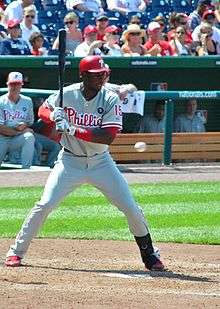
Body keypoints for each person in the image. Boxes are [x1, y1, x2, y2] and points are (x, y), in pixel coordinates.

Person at [5, 55, 164, 272]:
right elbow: (43, 109)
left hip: (101, 163)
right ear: (83, 75)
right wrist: (53, 115)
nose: (101, 78)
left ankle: (150, 255)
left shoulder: (110, 98)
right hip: (69, 161)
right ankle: (16, 252)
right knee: (45, 204)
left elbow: (108, 136)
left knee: (130, 207)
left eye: (103, 74)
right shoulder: (67, 93)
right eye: (96, 75)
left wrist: (72, 128)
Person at [0, 72, 35, 169]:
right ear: (7, 84)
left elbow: (30, 121)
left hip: (16, 139)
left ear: (21, 85)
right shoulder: (1, 101)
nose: (14, 87)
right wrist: (21, 131)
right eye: (12, 84)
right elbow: (1, 128)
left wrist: (24, 125)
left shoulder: (27, 101)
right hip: (1, 138)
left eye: (17, 84)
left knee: (29, 137)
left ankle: (26, 171)